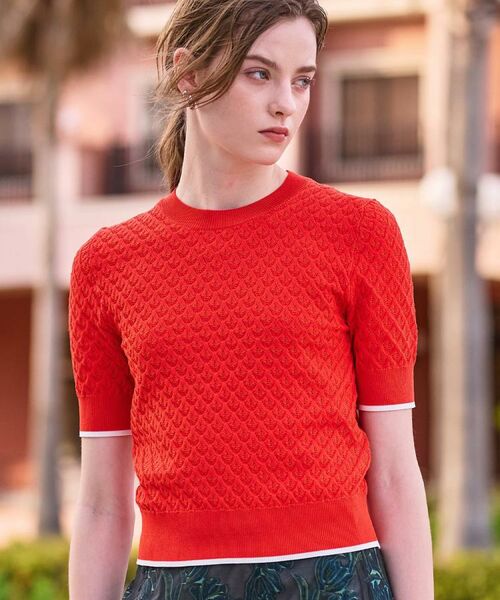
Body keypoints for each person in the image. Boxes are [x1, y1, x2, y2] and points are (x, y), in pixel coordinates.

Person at [67, 1, 434, 599]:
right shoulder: (107, 265)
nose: (286, 103)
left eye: (302, 80)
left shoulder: (360, 234)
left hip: (335, 582)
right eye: (259, 73)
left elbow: (395, 472)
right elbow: (102, 503)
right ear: (188, 74)